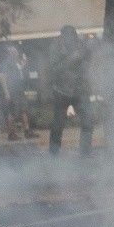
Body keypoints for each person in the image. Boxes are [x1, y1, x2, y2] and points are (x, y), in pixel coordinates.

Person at [46, 25, 94, 155]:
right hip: (61, 91)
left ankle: (85, 152)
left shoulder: (80, 46)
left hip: (79, 91)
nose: (70, 39)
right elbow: (53, 70)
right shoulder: (55, 49)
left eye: (73, 36)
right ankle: (54, 153)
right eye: (67, 36)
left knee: (88, 121)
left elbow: (87, 62)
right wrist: (70, 59)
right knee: (58, 125)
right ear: (63, 37)